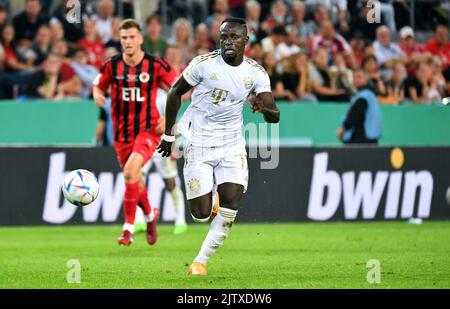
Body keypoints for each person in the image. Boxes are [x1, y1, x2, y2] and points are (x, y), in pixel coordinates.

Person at [157, 17, 280, 275]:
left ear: (246, 41)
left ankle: (200, 261)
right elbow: (174, 92)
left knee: (231, 203)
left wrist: (263, 107)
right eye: (224, 37)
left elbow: (274, 115)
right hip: (199, 140)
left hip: (231, 143)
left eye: (235, 37)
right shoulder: (202, 65)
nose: (229, 42)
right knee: (201, 215)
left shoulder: (255, 72)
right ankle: (209, 202)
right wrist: (169, 135)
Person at [92, 19, 177, 246]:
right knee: (134, 179)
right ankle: (150, 217)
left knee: (130, 171)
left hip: (148, 131)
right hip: (121, 135)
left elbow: (179, 88)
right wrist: (97, 94)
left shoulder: (156, 65)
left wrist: (168, 119)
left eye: (131, 37)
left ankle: (127, 229)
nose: (128, 41)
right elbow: (98, 84)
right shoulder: (112, 65)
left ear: (140, 39)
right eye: (124, 38)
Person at [337, 69, 382, 144]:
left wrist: (344, 127)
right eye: (354, 77)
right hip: (371, 139)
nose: (356, 79)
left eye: (359, 77)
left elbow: (355, 115)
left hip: (360, 139)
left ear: (366, 78)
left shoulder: (364, 96)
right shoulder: (370, 95)